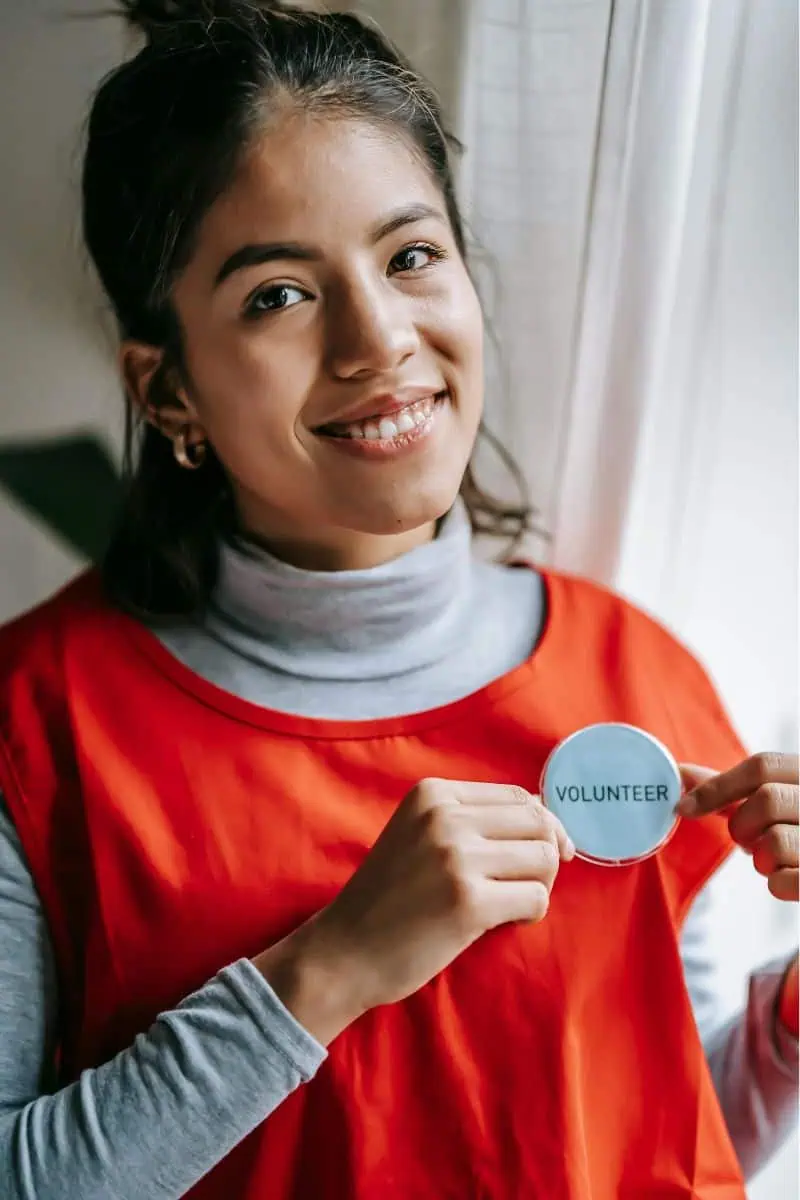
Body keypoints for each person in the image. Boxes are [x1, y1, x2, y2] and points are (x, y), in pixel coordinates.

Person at [0, 2, 797, 1197]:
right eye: (277, 294)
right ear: (165, 390)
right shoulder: (33, 726)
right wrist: (332, 966)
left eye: (410, 256)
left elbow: (666, 1138)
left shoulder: (640, 677)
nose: (377, 340)